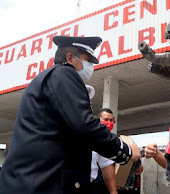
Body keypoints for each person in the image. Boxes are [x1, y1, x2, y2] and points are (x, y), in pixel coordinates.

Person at [0, 36, 141, 194]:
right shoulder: (64, 73)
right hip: (39, 185)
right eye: (88, 60)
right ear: (70, 57)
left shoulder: (50, 78)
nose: (91, 66)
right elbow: (84, 125)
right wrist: (126, 151)